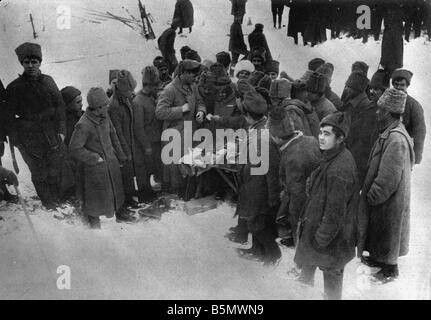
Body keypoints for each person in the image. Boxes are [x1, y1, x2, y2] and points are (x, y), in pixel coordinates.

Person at [294, 112, 359, 300]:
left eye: (327, 134)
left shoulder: (339, 169)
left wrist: (320, 241)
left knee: (332, 284)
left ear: (340, 138)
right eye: (321, 132)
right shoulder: (334, 155)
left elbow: (335, 213)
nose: (321, 137)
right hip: (329, 237)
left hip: (333, 240)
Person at [358, 88, 414, 283]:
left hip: (389, 201)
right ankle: (378, 259)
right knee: (382, 232)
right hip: (386, 201)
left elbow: (388, 178)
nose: (377, 112)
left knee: (387, 233)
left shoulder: (396, 139)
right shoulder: (390, 133)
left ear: (390, 113)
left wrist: (373, 195)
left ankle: (389, 270)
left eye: (381, 110)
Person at [5, 42, 67, 210]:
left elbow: (60, 105)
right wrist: (18, 141)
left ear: (40, 62)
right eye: (27, 62)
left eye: (35, 62)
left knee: (54, 167)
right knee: (38, 172)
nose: (31, 66)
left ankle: (56, 198)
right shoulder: (14, 87)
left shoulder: (49, 81)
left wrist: (61, 130)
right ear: (22, 64)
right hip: (29, 137)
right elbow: (8, 117)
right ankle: (48, 203)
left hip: (51, 133)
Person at [69, 87, 135, 228]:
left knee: (117, 190)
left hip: (111, 163)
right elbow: (74, 148)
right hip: (95, 170)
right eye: (105, 105)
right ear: (97, 107)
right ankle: (94, 223)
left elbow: (113, 134)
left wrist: (121, 156)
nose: (107, 107)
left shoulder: (105, 116)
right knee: (95, 200)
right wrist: (94, 158)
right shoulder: (83, 124)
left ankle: (121, 214)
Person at [236, 89, 282, 266]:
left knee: (256, 223)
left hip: (259, 189)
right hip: (252, 185)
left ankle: (273, 254)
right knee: (254, 220)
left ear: (248, 115)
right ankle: (257, 250)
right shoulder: (258, 127)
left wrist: (272, 196)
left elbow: (271, 170)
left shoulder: (262, 135)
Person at [269, 107, 320, 247]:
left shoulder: (292, 158)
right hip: (318, 199)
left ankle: (300, 262)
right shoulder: (311, 140)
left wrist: (293, 218)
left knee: (301, 232)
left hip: (304, 205)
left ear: (278, 137)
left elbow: (296, 195)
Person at [155, 59, 206, 198]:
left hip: (190, 133)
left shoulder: (193, 86)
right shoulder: (170, 90)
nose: (195, 77)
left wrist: (201, 111)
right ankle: (175, 201)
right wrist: (180, 109)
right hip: (175, 137)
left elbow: (200, 101)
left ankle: (186, 196)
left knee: (188, 167)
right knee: (176, 173)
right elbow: (160, 112)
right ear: (183, 73)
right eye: (192, 74)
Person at [108, 70, 139, 208]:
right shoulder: (113, 105)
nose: (132, 92)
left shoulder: (126, 98)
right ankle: (127, 202)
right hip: (123, 146)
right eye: (129, 90)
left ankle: (131, 197)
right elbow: (117, 133)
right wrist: (124, 153)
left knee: (130, 174)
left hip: (130, 142)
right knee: (125, 175)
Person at [340, 72, 378, 186]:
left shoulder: (366, 109)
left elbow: (361, 143)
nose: (346, 89)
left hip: (353, 164)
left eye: (349, 87)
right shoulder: (351, 103)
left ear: (356, 89)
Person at [132, 66, 162, 203]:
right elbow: (138, 128)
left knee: (153, 168)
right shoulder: (138, 102)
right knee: (144, 172)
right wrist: (146, 145)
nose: (158, 88)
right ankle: (145, 197)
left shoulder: (151, 97)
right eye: (156, 85)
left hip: (156, 141)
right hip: (147, 144)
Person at [391, 68, 426, 164]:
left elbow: (419, 132)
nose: (398, 88)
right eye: (396, 84)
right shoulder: (387, 100)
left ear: (407, 86)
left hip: (404, 150)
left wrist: (415, 157)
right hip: (388, 147)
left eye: (402, 85)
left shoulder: (414, 105)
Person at [60, 86, 84, 201]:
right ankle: (70, 194)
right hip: (70, 154)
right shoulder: (63, 121)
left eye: (82, 101)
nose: (81, 105)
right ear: (68, 104)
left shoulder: (82, 115)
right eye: (78, 102)